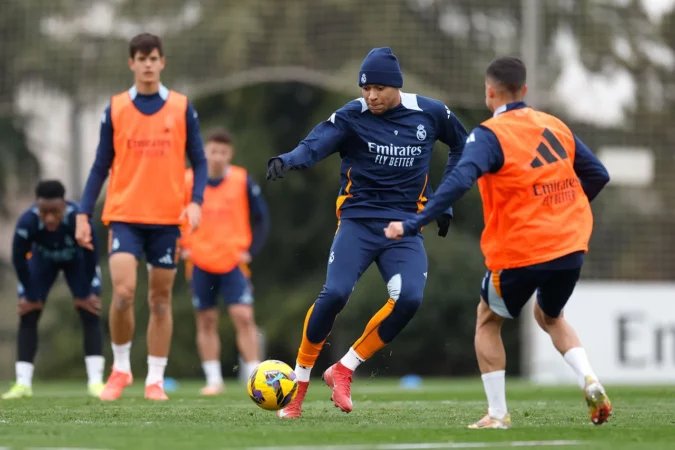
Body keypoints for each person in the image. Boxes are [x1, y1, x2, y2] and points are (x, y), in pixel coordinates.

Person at [385, 56, 612, 428]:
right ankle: (590, 379)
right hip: (570, 246)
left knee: (488, 320)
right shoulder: (554, 125)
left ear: (490, 92)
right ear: (524, 90)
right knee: (550, 316)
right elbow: (598, 175)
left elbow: (459, 181)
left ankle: (497, 414)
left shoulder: (490, 135)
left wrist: (415, 222)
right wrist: (562, 211)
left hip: (522, 249)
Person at [266, 47, 468, 418]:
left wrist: (445, 200)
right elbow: (315, 145)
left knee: (408, 299)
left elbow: (462, 145)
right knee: (336, 294)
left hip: (405, 228)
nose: (370, 95)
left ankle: (343, 369)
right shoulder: (351, 115)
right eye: (365, 88)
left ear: (396, 87)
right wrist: (288, 159)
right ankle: (299, 382)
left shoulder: (431, 113)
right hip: (358, 222)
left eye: (378, 88)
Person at [75, 33, 207, 401]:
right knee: (122, 292)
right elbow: (100, 165)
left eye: (153, 58)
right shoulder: (116, 108)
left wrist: (195, 201)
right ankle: (119, 370)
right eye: (141, 58)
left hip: (167, 219)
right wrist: (83, 213)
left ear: (162, 62)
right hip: (124, 215)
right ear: (131, 63)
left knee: (160, 300)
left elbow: (198, 160)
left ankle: (154, 379)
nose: (148, 64)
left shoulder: (181, 107)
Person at [180, 127, 270, 395]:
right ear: (204, 152)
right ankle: (214, 380)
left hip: (233, 261)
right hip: (199, 260)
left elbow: (262, 218)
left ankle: (256, 376)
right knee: (206, 319)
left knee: (243, 316)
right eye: (212, 151)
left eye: (222, 151)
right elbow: (174, 215)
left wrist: (251, 250)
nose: (217, 156)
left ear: (230, 154)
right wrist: (181, 246)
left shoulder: (242, 180)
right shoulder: (188, 181)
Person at [3, 180, 104, 399]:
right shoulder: (27, 221)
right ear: (37, 207)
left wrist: (85, 292)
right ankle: (22, 384)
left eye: (55, 212)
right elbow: (19, 260)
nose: (49, 217)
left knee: (91, 310)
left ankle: (96, 382)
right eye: (44, 211)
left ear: (64, 206)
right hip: (43, 262)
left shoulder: (80, 218)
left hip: (77, 261)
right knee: (28, 312)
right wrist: (31, 295)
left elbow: (91, 255)